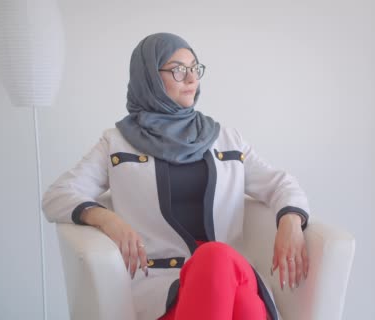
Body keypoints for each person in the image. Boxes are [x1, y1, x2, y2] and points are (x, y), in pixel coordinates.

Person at [42, 32, 310, 320]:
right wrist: (108, 219)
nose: (192, 79)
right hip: (167, 294)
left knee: (215, 257)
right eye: (178, 70)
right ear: (150, 78)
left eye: (195, 68)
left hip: (234, 285)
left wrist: (291, 222)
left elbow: (281, 184)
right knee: (212, 263)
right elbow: (57, 196)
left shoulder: (226, 139)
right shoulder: (116, 143)